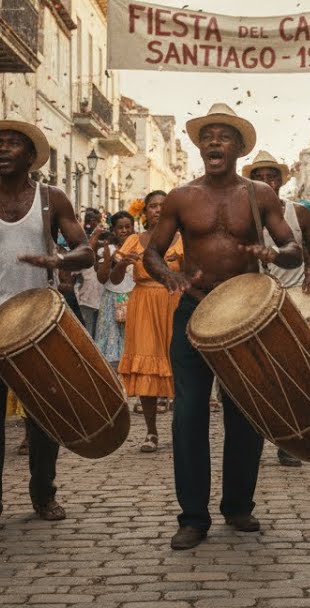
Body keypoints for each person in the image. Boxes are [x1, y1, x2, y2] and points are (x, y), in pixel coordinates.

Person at [143, 103, 302, 551]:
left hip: (244, 315)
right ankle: (193, 517)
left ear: (237, 148)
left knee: (245, 414)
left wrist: (276, 255)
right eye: (207, 135)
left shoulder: (259, 195)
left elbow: (294, 249)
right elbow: (151, 253)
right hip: (193, 311)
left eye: (223, 136)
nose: (214, 141)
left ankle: (238, 506)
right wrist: (169, 276)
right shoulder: (180, 196)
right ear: (200, 146)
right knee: (189, 416)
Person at [0, 119, 93, 539]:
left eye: (13, 144)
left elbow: (83, 251)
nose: (4, 149)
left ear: (31, 157)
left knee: (44, 418)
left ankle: (44, 494)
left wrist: (60, 261)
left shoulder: (52, 200)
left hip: (38, 327)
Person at [243, 149, 310, 468]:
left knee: (291, 373)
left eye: (271, 176)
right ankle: (256, 440)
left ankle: (289, 441)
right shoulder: (240, 211)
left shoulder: (299, 214)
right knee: (259, 375)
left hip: (292, 299)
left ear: (281, 180)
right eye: (259, 176)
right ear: (250, 182)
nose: (266, 181)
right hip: (253, 300)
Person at [118, 190, 184, 453]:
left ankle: (180, 429)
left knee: (179, 365)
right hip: (143, 302)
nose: (157, 210)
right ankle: (151, 432)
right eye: (152, 206)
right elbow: (110, 278)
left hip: (174, 302)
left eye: (162, 206)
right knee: (146, 364)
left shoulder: (182, 239)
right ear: (144, 212)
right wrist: (122, 264)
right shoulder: (135, 240)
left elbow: (192, 273)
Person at [93, 211, 135, 373]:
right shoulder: (108, 249)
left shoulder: (138, 246)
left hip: (133, 296)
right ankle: (113, 376)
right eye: (120, 228)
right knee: (110, 339)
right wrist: (108, 258)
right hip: (111, 297)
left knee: (130, 338)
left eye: (127, 227)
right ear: (113, 229)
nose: (124, 231)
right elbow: (102, 278)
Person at [75, 208, 106, 338]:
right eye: (88, 219)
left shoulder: (103, 236)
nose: (90, 222)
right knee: (87, 329)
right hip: (85, 292)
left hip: (101, 290)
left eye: (93, 219)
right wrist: (94, 236)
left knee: (100, 330)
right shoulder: (80, 235)